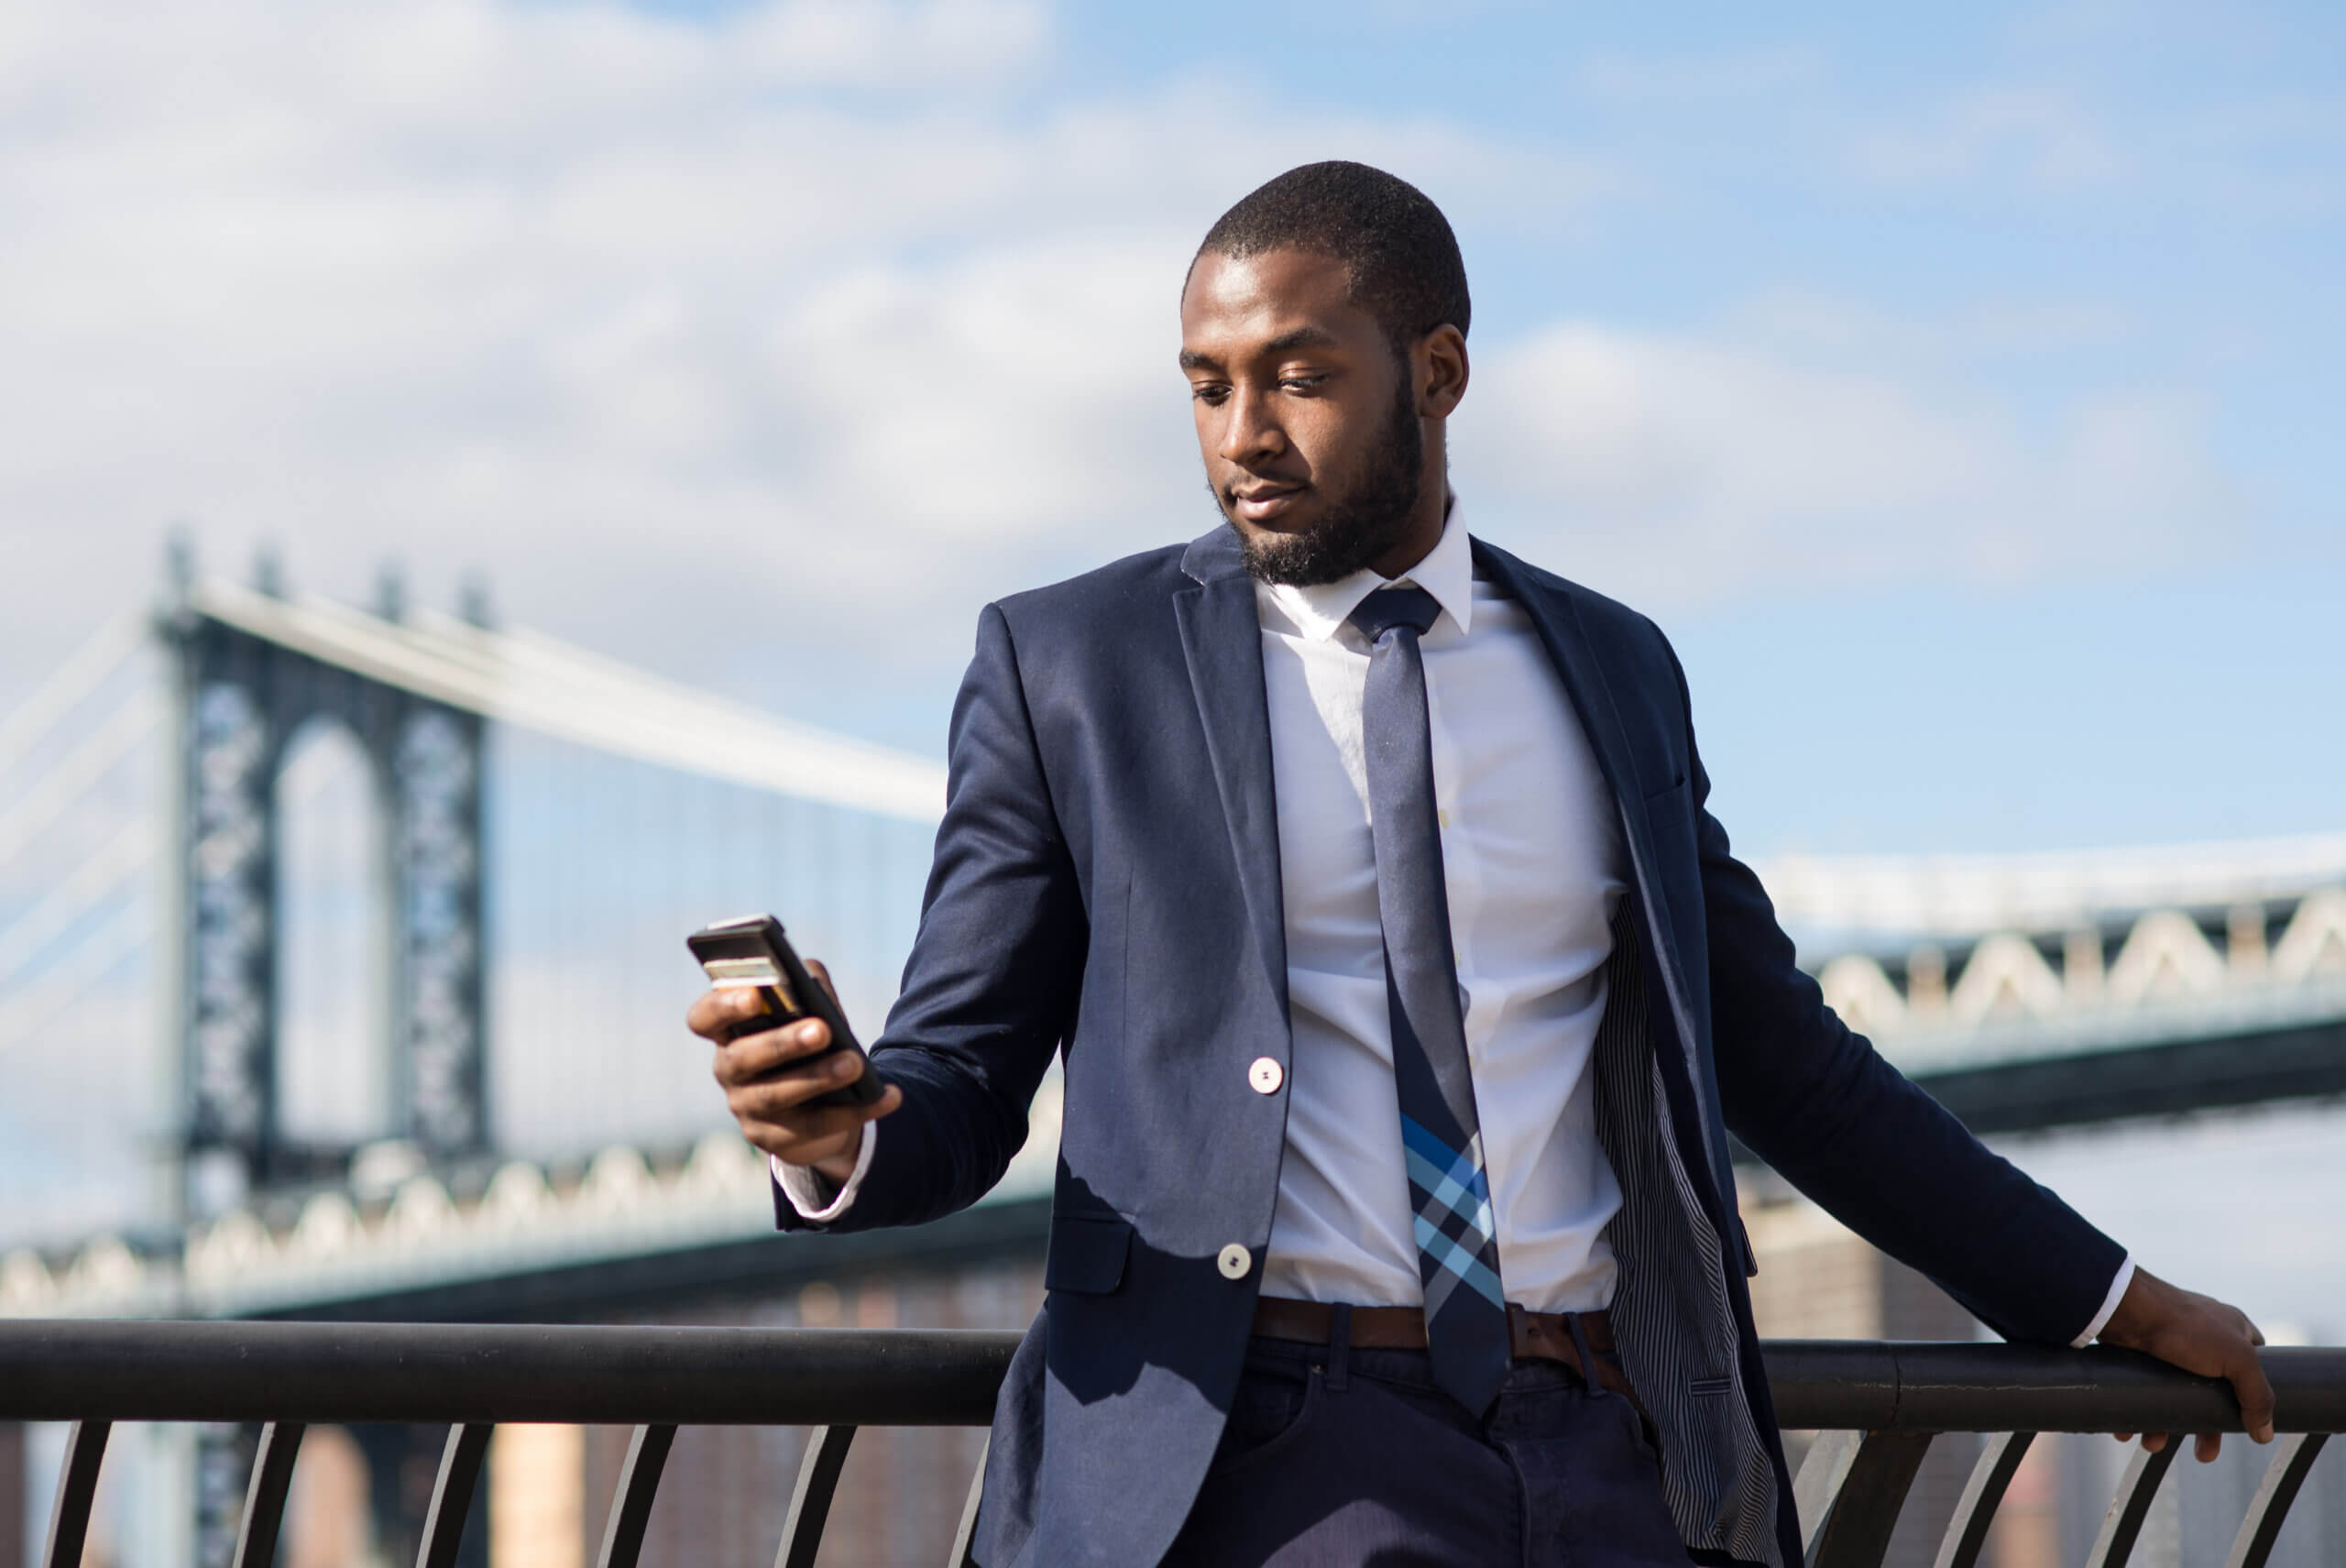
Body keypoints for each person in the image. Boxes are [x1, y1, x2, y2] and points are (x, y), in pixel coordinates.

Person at [690, 162, 2274, 1568]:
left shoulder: (1612, 666)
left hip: (1616, 1441)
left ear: (1437, 372)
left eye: (1298, 380)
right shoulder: (1070, 666)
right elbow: (960, 1079)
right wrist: (839, 1129)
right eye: (1206, 387)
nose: (1243, 439)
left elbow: (1786, 1064)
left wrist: (2112, 1305)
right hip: (1258, 1454)